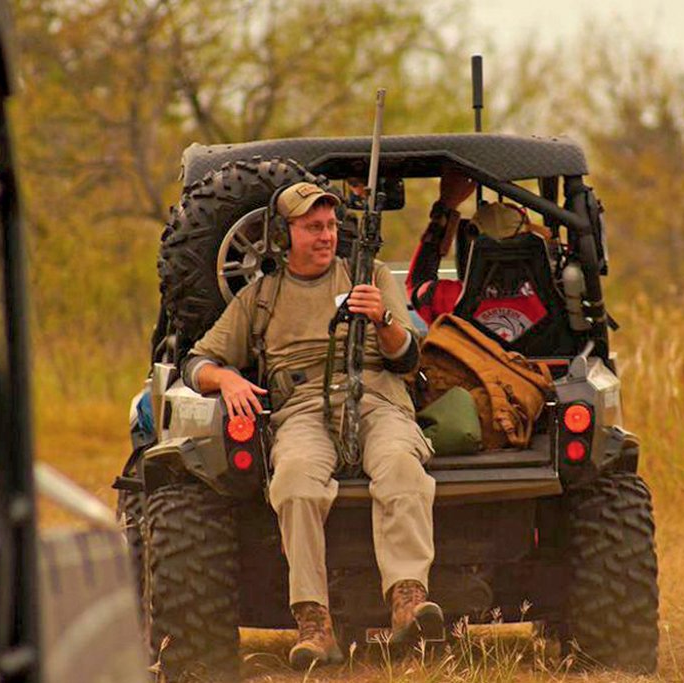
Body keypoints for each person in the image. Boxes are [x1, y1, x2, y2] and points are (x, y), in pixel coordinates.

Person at [181, 182, 441, 670]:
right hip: (302, 407)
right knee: (295, 481)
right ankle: (314, 623)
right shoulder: (260, 297)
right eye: (312, 228)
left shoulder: (370, 276)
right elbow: (197, 362)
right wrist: (228, 380)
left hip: (378, 398)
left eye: (330, 227)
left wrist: (382, 318)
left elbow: (407, 358)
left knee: (401, 467)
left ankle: (408, 601)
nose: (325, 236)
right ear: (286, 236)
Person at [406, 170, 553, 342]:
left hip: (472, 369)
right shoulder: (556, 295)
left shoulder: (448, 297)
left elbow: (417, 283)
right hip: (539, 368)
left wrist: (445, 207)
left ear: (473, 246)